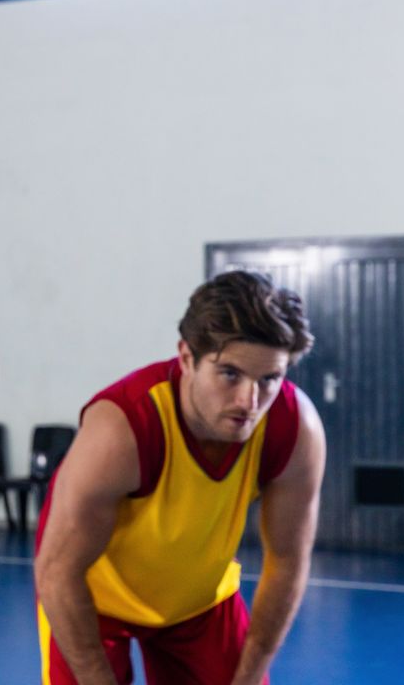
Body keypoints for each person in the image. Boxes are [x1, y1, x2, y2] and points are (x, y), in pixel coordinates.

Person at [34, 271, 326, 685]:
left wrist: (247, 678)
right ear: (187, 358)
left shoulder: (294, 430)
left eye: (269, 379)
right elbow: (58, 574)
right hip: (91, 598)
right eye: (230, 374)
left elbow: (287, 563)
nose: (250, 401)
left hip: (198, 601)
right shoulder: (122, 430)